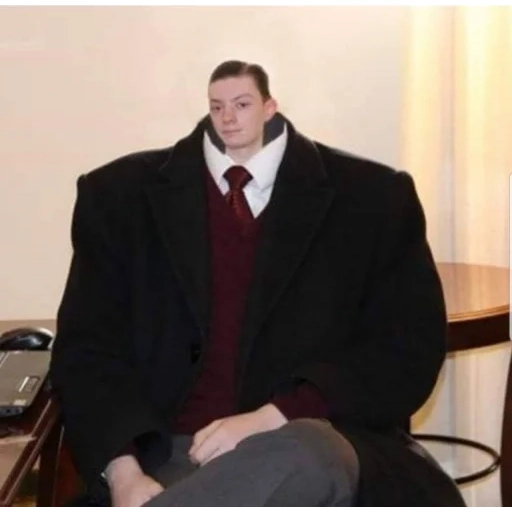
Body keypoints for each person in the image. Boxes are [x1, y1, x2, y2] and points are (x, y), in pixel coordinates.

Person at [50, 60, 466, 511]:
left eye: (242, 104)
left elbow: (407, 350)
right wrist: (124, 475)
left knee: (305, 454)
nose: (229, 117)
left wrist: (277, 415)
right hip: (170, 463)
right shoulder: (116, 198)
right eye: (220, 106)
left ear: (269, 106)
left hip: (321, 444)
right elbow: (87, 353)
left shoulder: (374, 199)